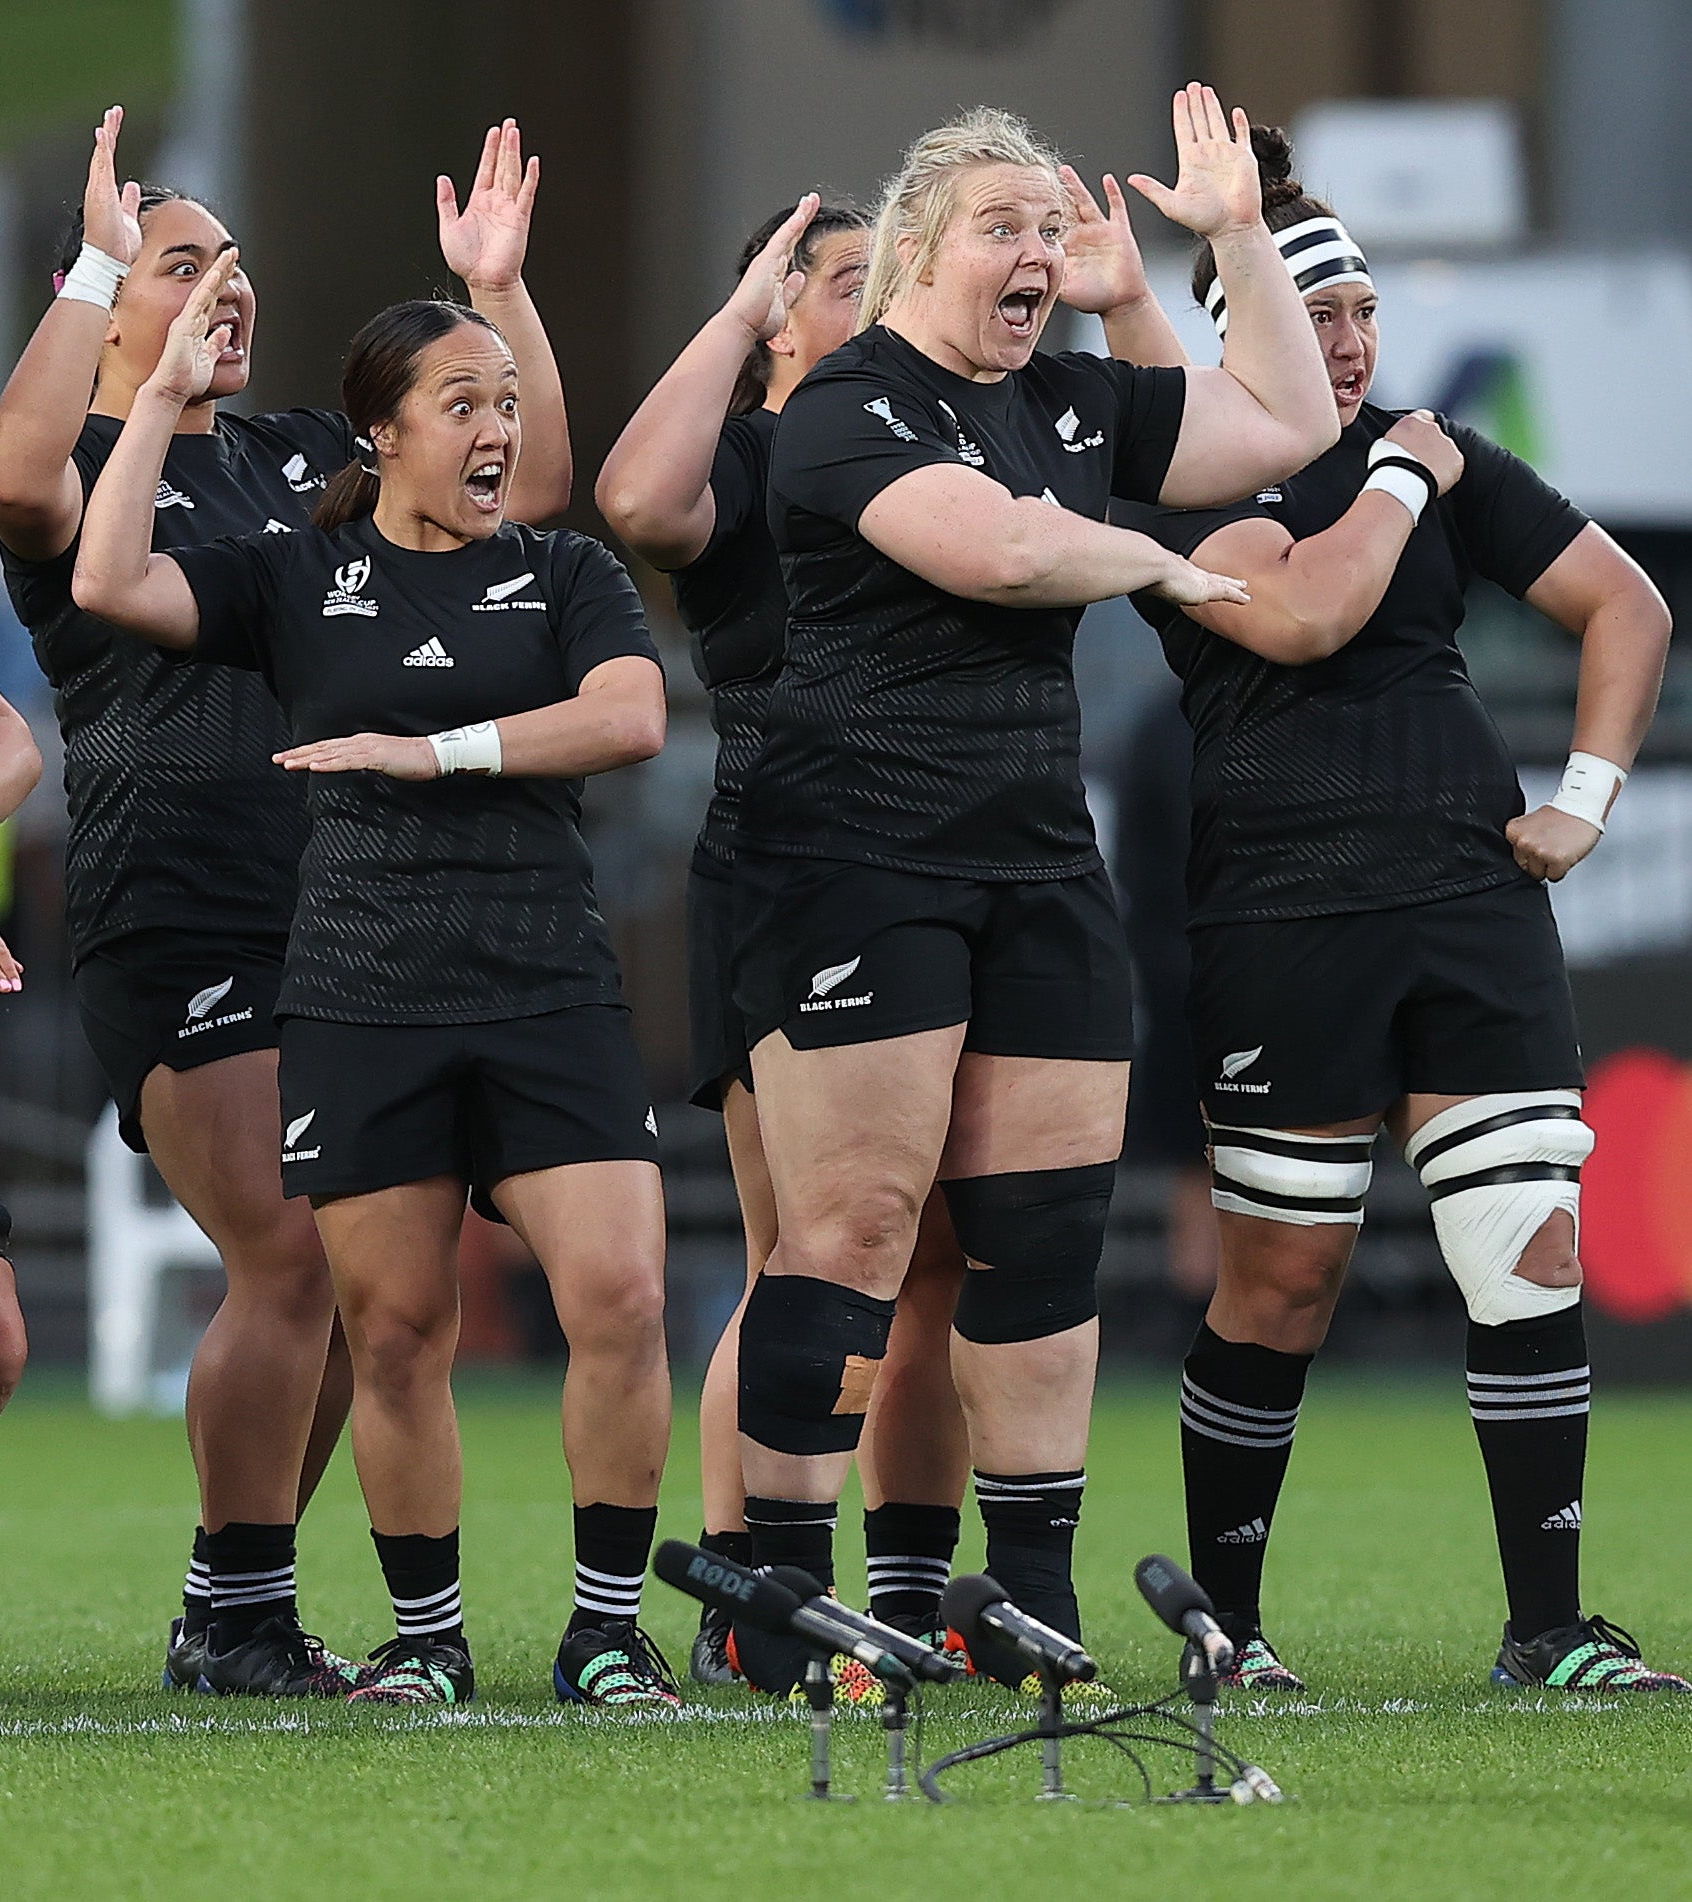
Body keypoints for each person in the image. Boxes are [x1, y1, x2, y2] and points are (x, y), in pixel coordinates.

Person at [727, 86, 1337, 1678]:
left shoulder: (1069, 396)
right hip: (857, 859)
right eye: (1000, 227)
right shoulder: (842, 404)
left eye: (1047, 229)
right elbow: (995, 550)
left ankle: (1026, 1603)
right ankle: (784, 1606)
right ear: (916, 247)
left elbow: (1287, 424)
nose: (1033, 254)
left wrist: (1232, 239)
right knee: (852, 1232)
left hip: (1036, 866)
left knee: (1043, 1239)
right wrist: (1150, 555)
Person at [0, 115, 579, 1695]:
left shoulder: (295, 456)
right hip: (172, 906)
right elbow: (10, 476)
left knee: (355, 1276)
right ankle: (236, 1602)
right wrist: (116, 274)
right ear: (103, 302)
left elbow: (526, 486)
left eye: (233, 270)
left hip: (339, 913)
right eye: (183, 269)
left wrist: (498, 304)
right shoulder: (88, 476)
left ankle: (234, 1598)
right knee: (290, 1253)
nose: (222, 291)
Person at [1111, 128, 1684, 1695]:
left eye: (1364, 307)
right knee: (1278, 1285)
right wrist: (1394, 473)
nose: (1353, 338)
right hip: (1280, 914)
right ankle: (1228, 1635)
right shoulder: (1189, 469)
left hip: (1464, 892)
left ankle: (1547, 1629)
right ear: (1246, 329)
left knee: (1529, 1244)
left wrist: (1584, 796)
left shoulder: (1437, 451)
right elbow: (1302, 615)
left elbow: (1624, 605)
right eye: (1322, 313)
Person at [75, 236, 682, 1709]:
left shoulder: (561, 570)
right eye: (460, 404)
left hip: (542, 973)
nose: (494, 431)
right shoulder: (294, 572)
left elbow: (628, 716)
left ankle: (606, 1626)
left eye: (506, 405)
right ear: (383, 430)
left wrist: (431, 752)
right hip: (356, 987)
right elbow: (105, 580)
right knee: (396, 1329)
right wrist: (156, 390)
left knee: (616, 1295)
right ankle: (427, 1638)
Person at [599, 193, 978, 1691]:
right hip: (792, 869)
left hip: (944, 874)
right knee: (803, 1258)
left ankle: (895, 1584)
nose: (873, 302)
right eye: (838, 280)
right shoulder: (747, 456)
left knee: (929, 1256)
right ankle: (749, 1587)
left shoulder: (926, 444)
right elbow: (634, 497)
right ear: (768, 312)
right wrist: (745, 300)